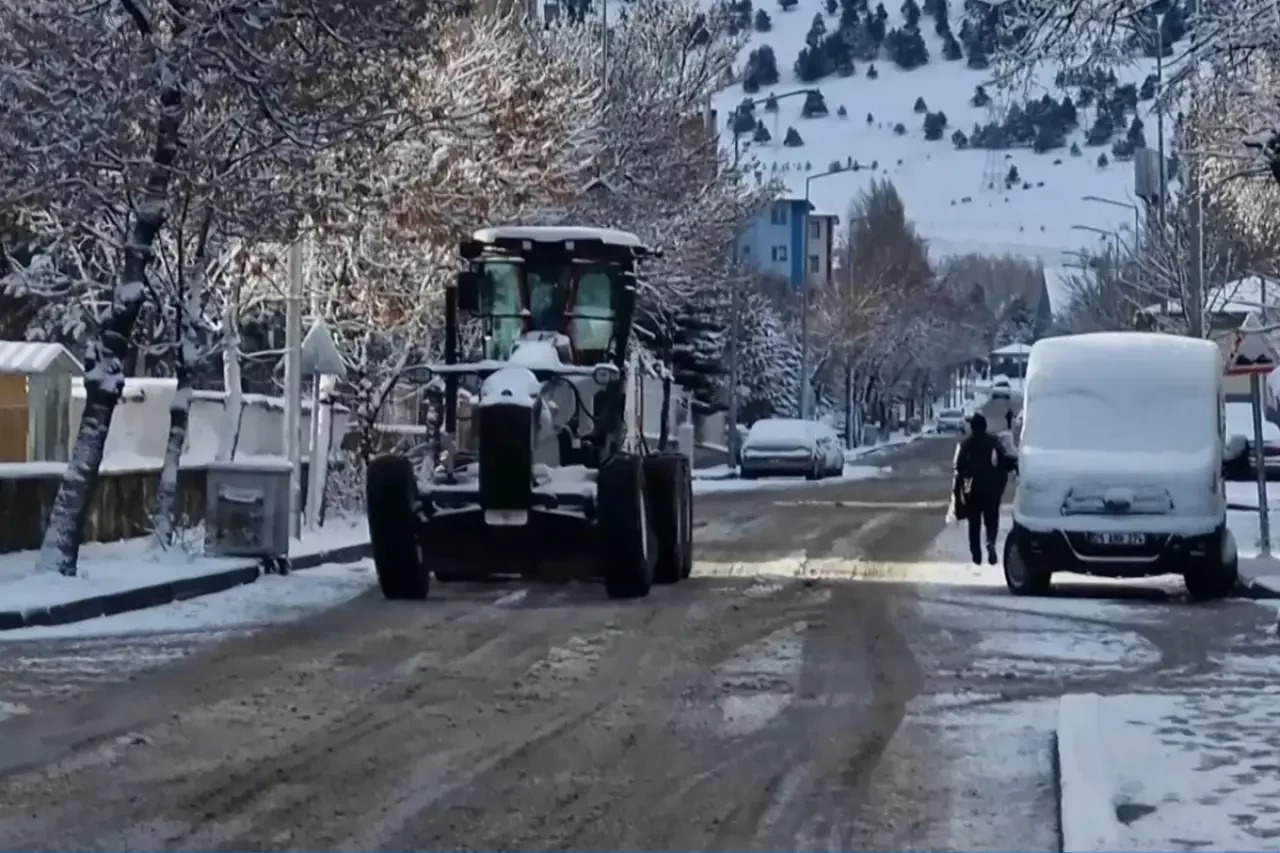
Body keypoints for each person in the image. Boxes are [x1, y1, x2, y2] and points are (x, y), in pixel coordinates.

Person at [952, 412, 1017, 566]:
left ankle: (976, 554)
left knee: (974, 523)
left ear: (972, 427)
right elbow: (1003, 461)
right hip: (992, 489)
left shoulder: (966, 444)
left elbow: (959, 468)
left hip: (973, 490)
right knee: (991, 519)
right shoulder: (994, 442)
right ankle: (990, 542)